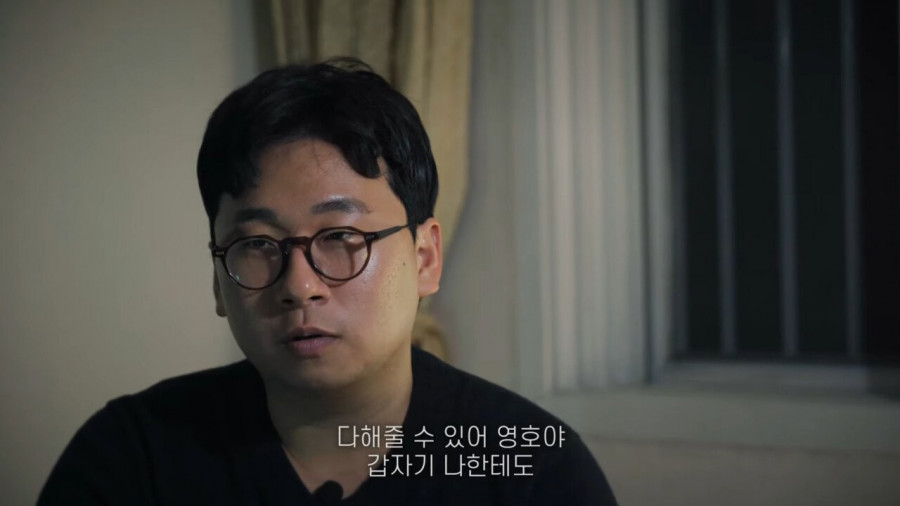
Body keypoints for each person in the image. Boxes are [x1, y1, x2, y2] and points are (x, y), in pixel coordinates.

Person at [38, 58, 618, 505]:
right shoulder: (133, 457)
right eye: (256, 245)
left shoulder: (529, 469)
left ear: (424, 258)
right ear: (218, 279)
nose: (300, 287)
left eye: (342, 237)